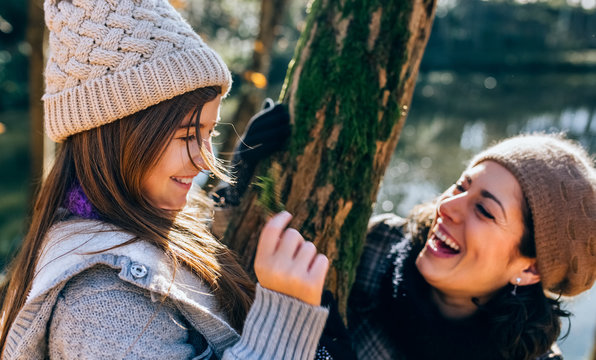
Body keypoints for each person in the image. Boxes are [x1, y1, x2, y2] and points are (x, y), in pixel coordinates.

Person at [0, 0, 331, 358]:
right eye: (188, 134)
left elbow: (168, 253)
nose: (205, 161)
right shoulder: (101, 308)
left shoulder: (124, 215)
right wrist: (285, 317)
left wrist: (237, 187)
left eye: (210, 131)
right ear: (121, 133)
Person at [347, 133, 596, 360]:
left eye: (484, 211)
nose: (446, 208)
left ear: (530, 270)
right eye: (461, 187)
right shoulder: (374, 248)